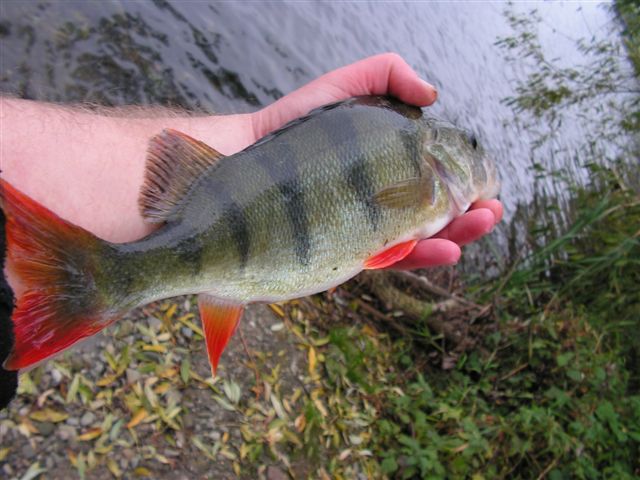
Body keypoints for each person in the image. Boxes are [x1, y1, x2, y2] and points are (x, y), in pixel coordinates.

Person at [0, 53, 502, 407]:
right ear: (445, 152)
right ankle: (107, 280)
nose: (479, 158)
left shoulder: (404, 146)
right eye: (474, 147)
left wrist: (249, 135)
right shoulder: (415, 154)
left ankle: (100, 281)